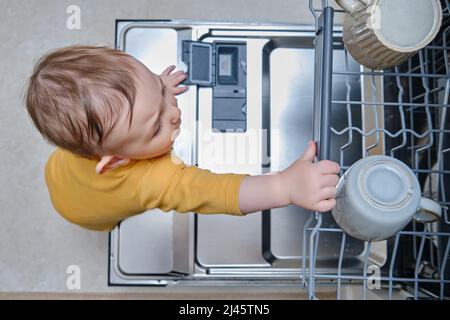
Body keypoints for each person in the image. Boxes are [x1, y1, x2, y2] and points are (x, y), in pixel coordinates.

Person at [25, 45, 340, 231]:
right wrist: (284, 185)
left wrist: (155, 89)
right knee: (110, 219)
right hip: (89, 214)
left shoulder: (94, 138)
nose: (173, 114)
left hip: (60, 172)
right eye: (155, 127)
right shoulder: (155, 180)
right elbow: (220, 192)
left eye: (162, 93)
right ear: (118, 159)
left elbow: (116, 99)